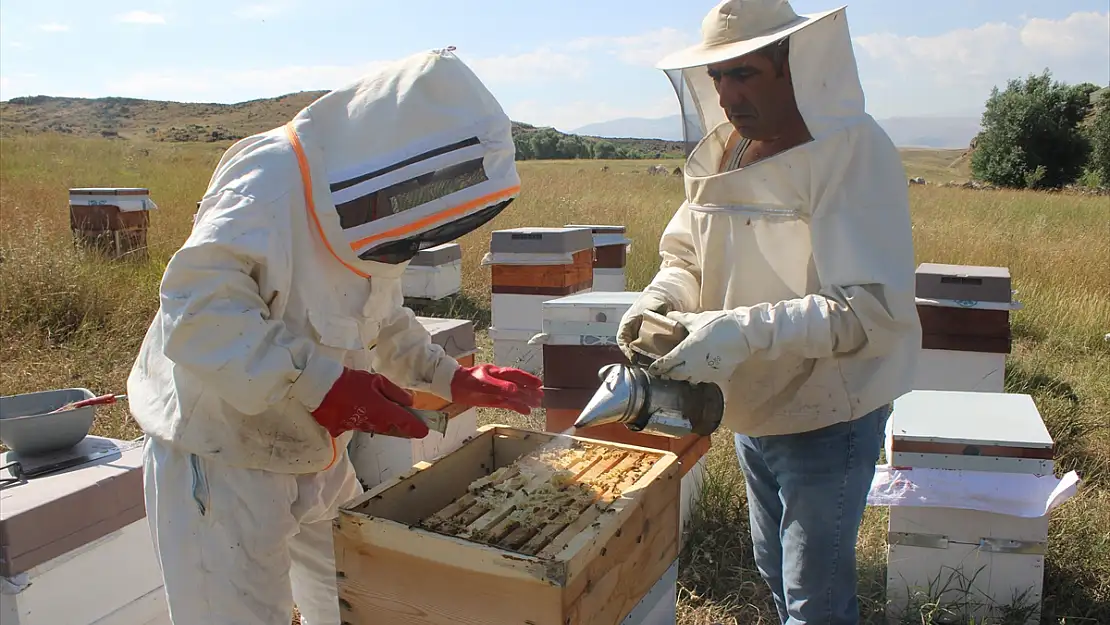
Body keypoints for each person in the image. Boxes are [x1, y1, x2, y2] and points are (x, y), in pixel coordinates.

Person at [127, 48, 543, 625]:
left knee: (356, 601)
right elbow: (199, 311)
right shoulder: (268, 184)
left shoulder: (372, 213)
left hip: (318, 454)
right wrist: (322, 385)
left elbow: (381, 315)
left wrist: (452, 377)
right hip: (223, 461)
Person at [616, 1, 920, 624]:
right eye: (717, 77)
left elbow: (867, 312)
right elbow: (689, 255)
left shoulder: (852, 153)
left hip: (828, 412)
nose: (726, 96)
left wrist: (739, 332)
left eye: (744, 74)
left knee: (816, 598)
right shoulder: (726, 150)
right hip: (750, 400)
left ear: (793, 67)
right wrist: (662, 297)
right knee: (773, 569)